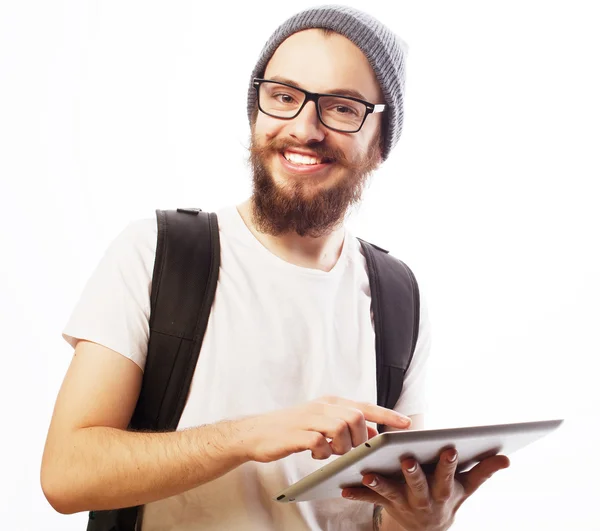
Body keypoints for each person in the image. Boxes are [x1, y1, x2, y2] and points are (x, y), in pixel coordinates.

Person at [41, 5, 509, 530]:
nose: (303, 128)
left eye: (341, 107)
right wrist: (248, 436)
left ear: (380, 143)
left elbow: (380, 516)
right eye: (283, 97)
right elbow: (66, 476)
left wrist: (421, 520)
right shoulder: (156, 252)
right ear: (256, 110)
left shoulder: (399, 296)